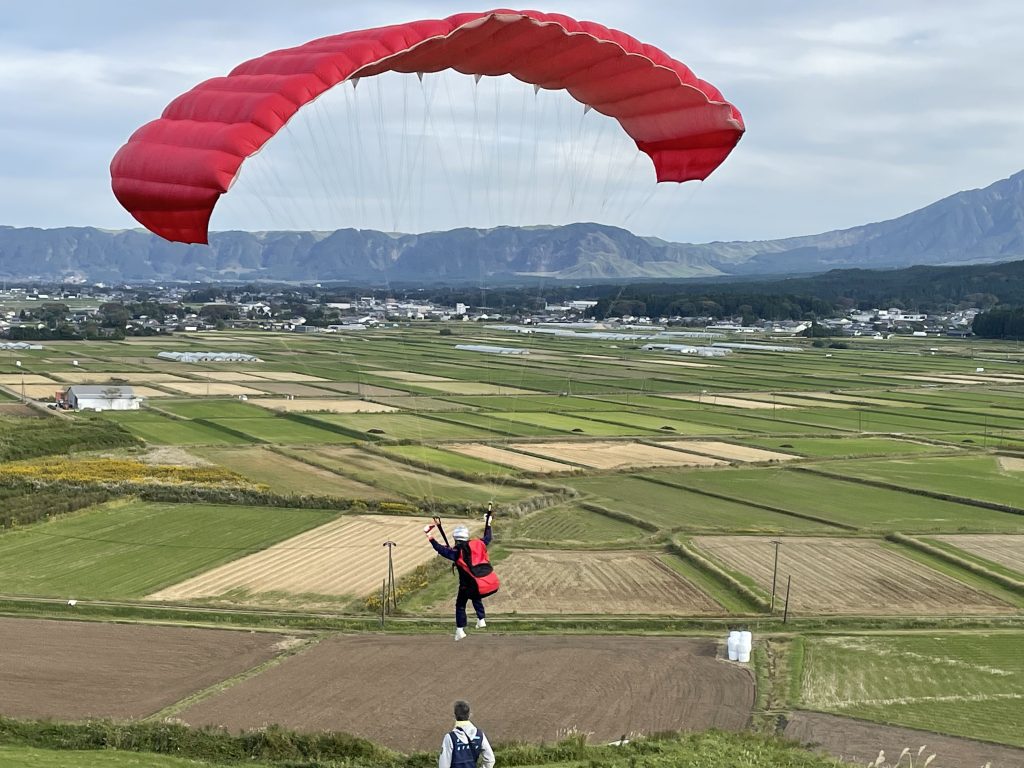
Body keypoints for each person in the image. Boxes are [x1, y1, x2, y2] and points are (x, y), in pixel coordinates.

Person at [425, 511, 498, 641]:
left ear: (455, 538)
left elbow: (440, 549)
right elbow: (488, 538)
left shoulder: (457, 552)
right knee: (475, 593)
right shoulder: (479, 544)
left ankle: (460, 630)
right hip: (488, 584)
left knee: (460, 605)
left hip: (469, 586)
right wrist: (488, 523)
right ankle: (481, 619)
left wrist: (429, 535)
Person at [438, 699, 495, 768]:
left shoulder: (450, 738)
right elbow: (490, 759)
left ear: (455, 716)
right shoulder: (480, 735)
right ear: (469, 715)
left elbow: (443, 765)